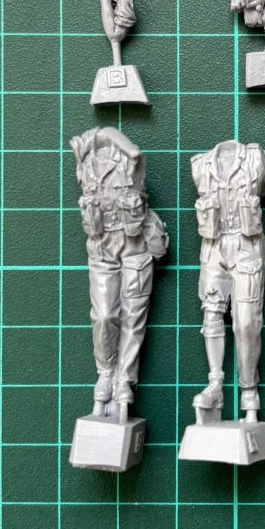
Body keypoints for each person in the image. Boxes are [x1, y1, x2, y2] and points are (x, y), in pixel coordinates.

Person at [69, 127, 167, 423]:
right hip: (103, 247)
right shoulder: (84, 159)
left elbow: (134, 152)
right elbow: (91, 140)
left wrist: (108, 137)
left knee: (133, 318)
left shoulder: (130, 160)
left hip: (134, 245)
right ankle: (105, 373)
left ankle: (124, 380)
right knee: (104, 315)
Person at [190, 140, 265, 421]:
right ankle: (215, 385)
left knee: (246, 321)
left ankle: (249, 390)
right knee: (211, 314)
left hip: (246, 244)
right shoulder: (200, 165)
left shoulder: (254, 158)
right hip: (214, 244)